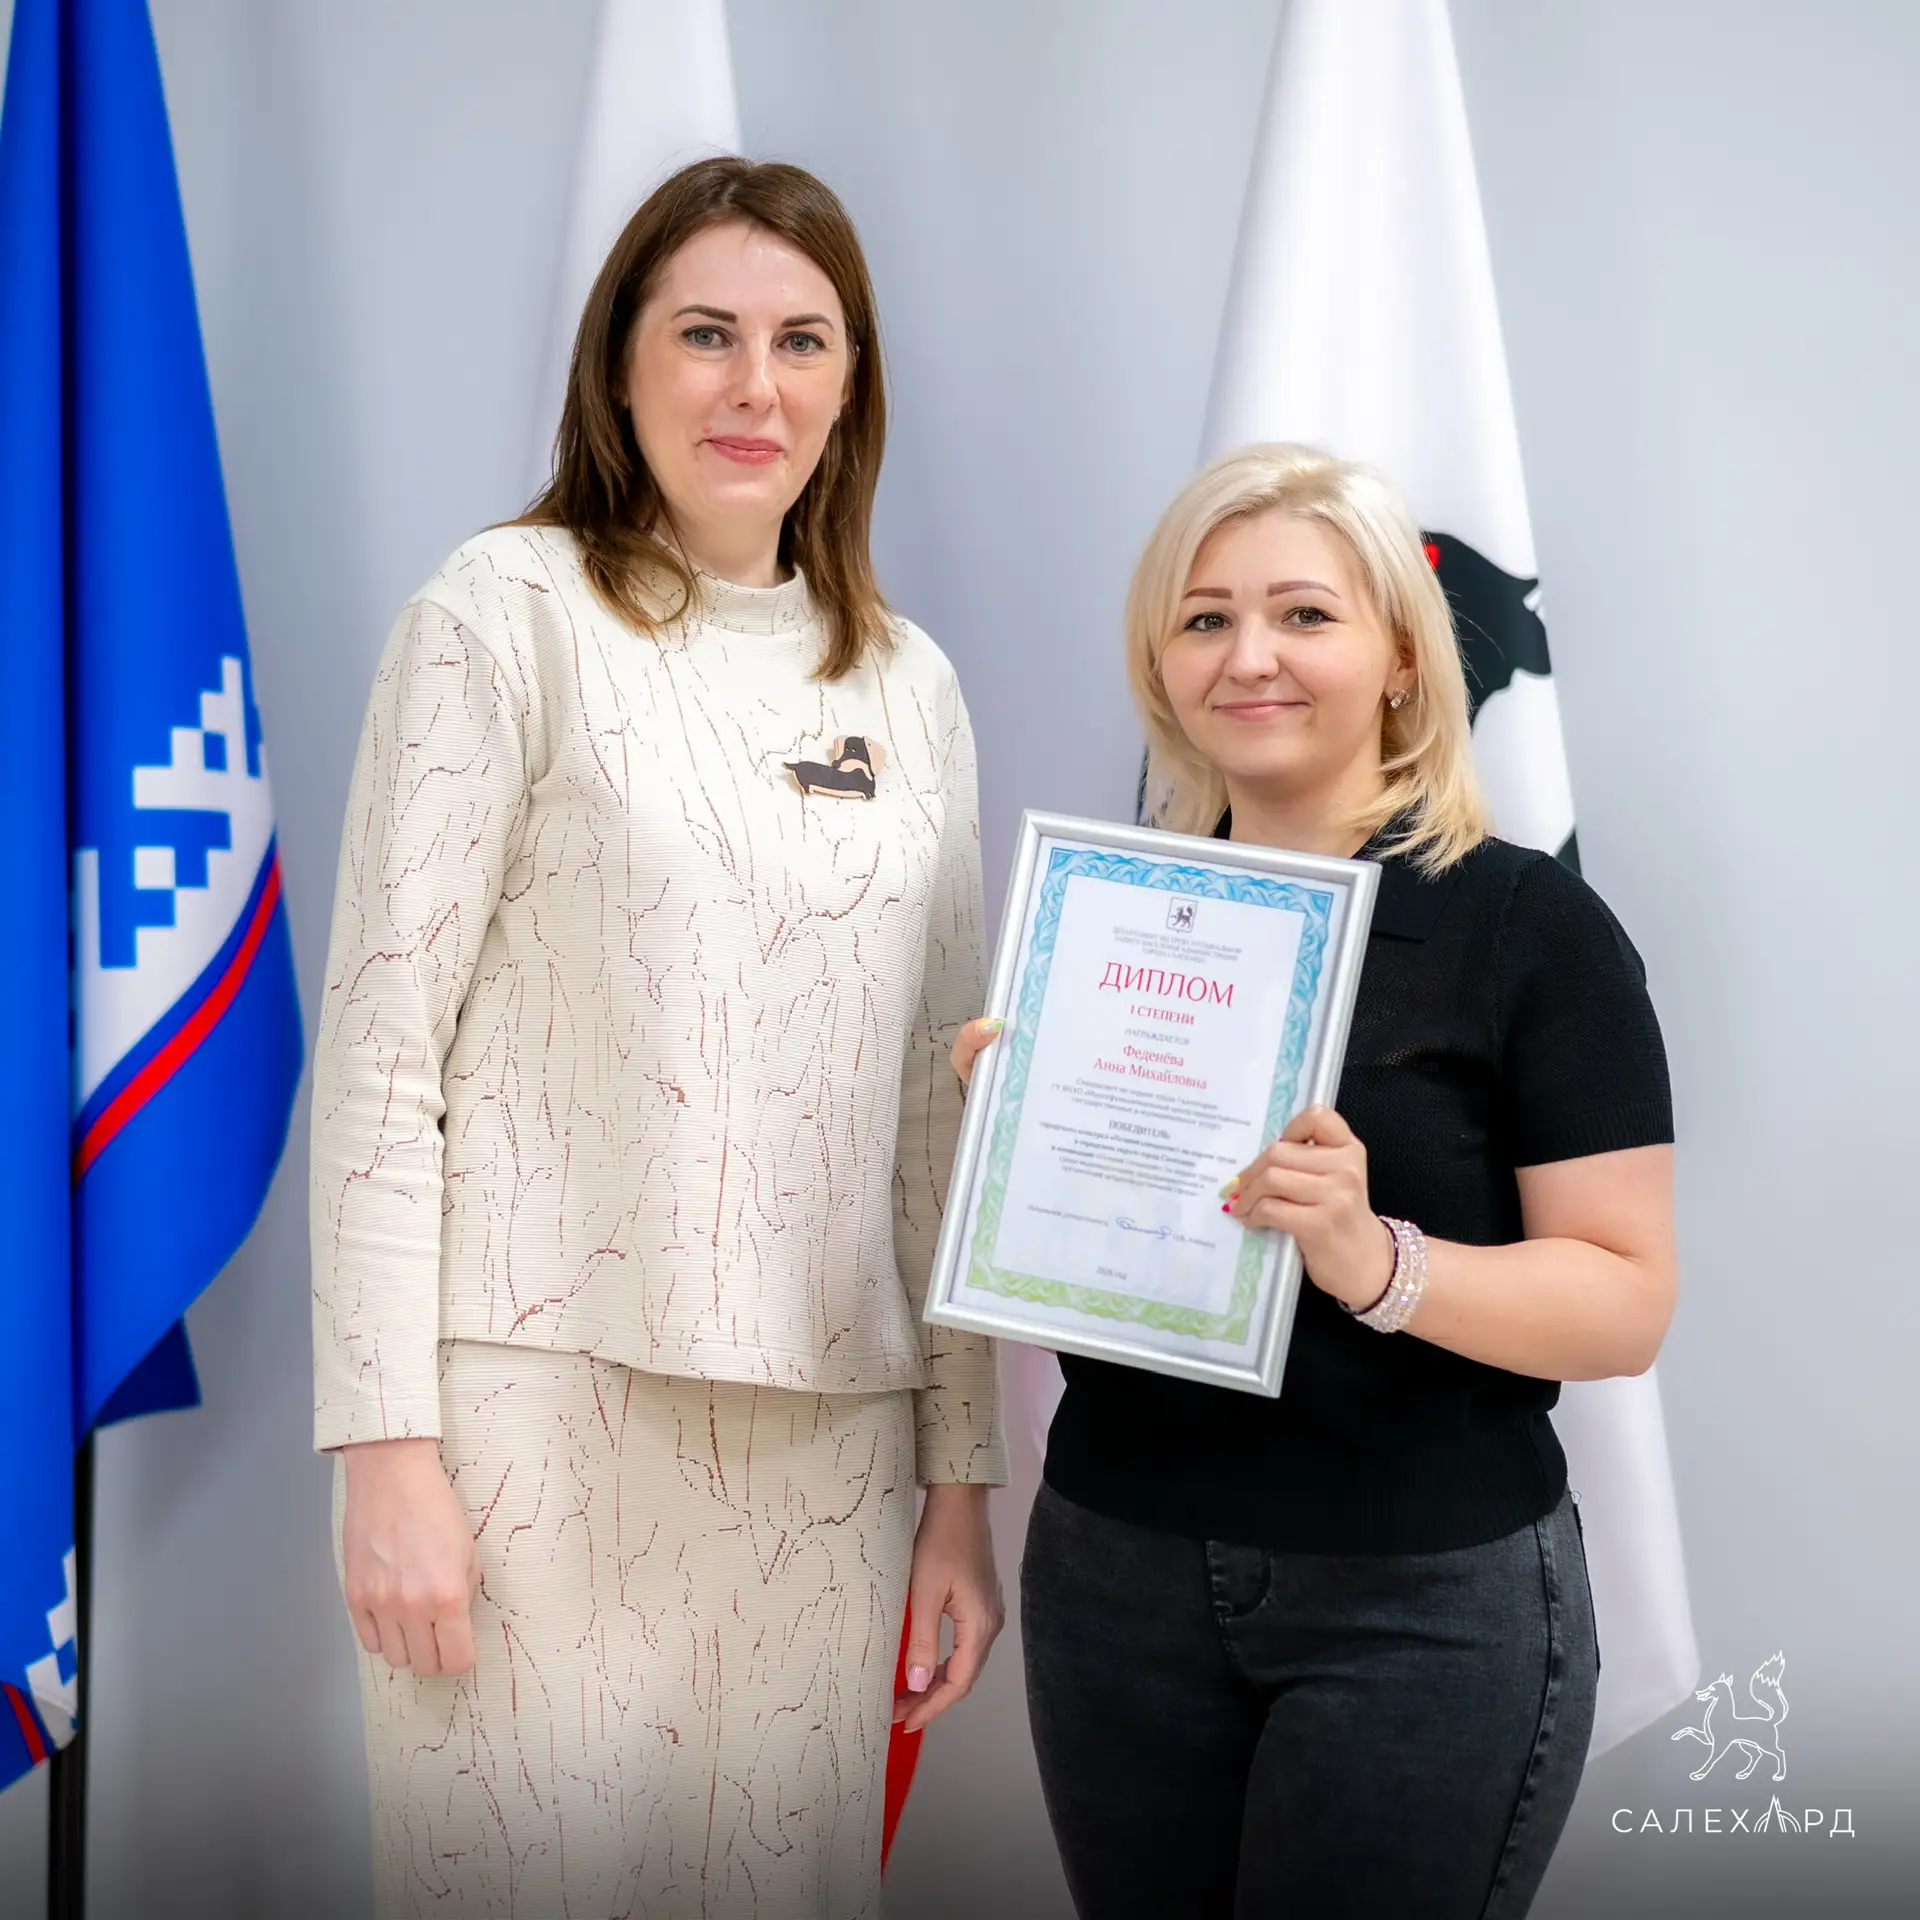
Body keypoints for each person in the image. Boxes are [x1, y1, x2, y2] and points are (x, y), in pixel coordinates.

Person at [310, 157, 1006, 1919]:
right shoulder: (501, 613)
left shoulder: (910, 686)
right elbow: (383, 1060)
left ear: (851, 387)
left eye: (801, 341)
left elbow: (942, 1125)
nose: (753, 385)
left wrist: (959, 1487)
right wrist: (385, 1451)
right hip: (526, 1445)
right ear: (619, 364)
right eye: (705, 335)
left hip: (832, 1459)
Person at [954, 443, 1677, 1917]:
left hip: (1416, 1601)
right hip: (1112, 1576)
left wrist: (1378, 1260)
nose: (1249, 656)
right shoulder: (1113, 923)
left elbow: (1624, 1304)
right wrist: (1027, 1150)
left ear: (1402, 658)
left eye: (1303, 614)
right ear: (1161, 664)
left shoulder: (1531, 929)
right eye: (1205, 618)